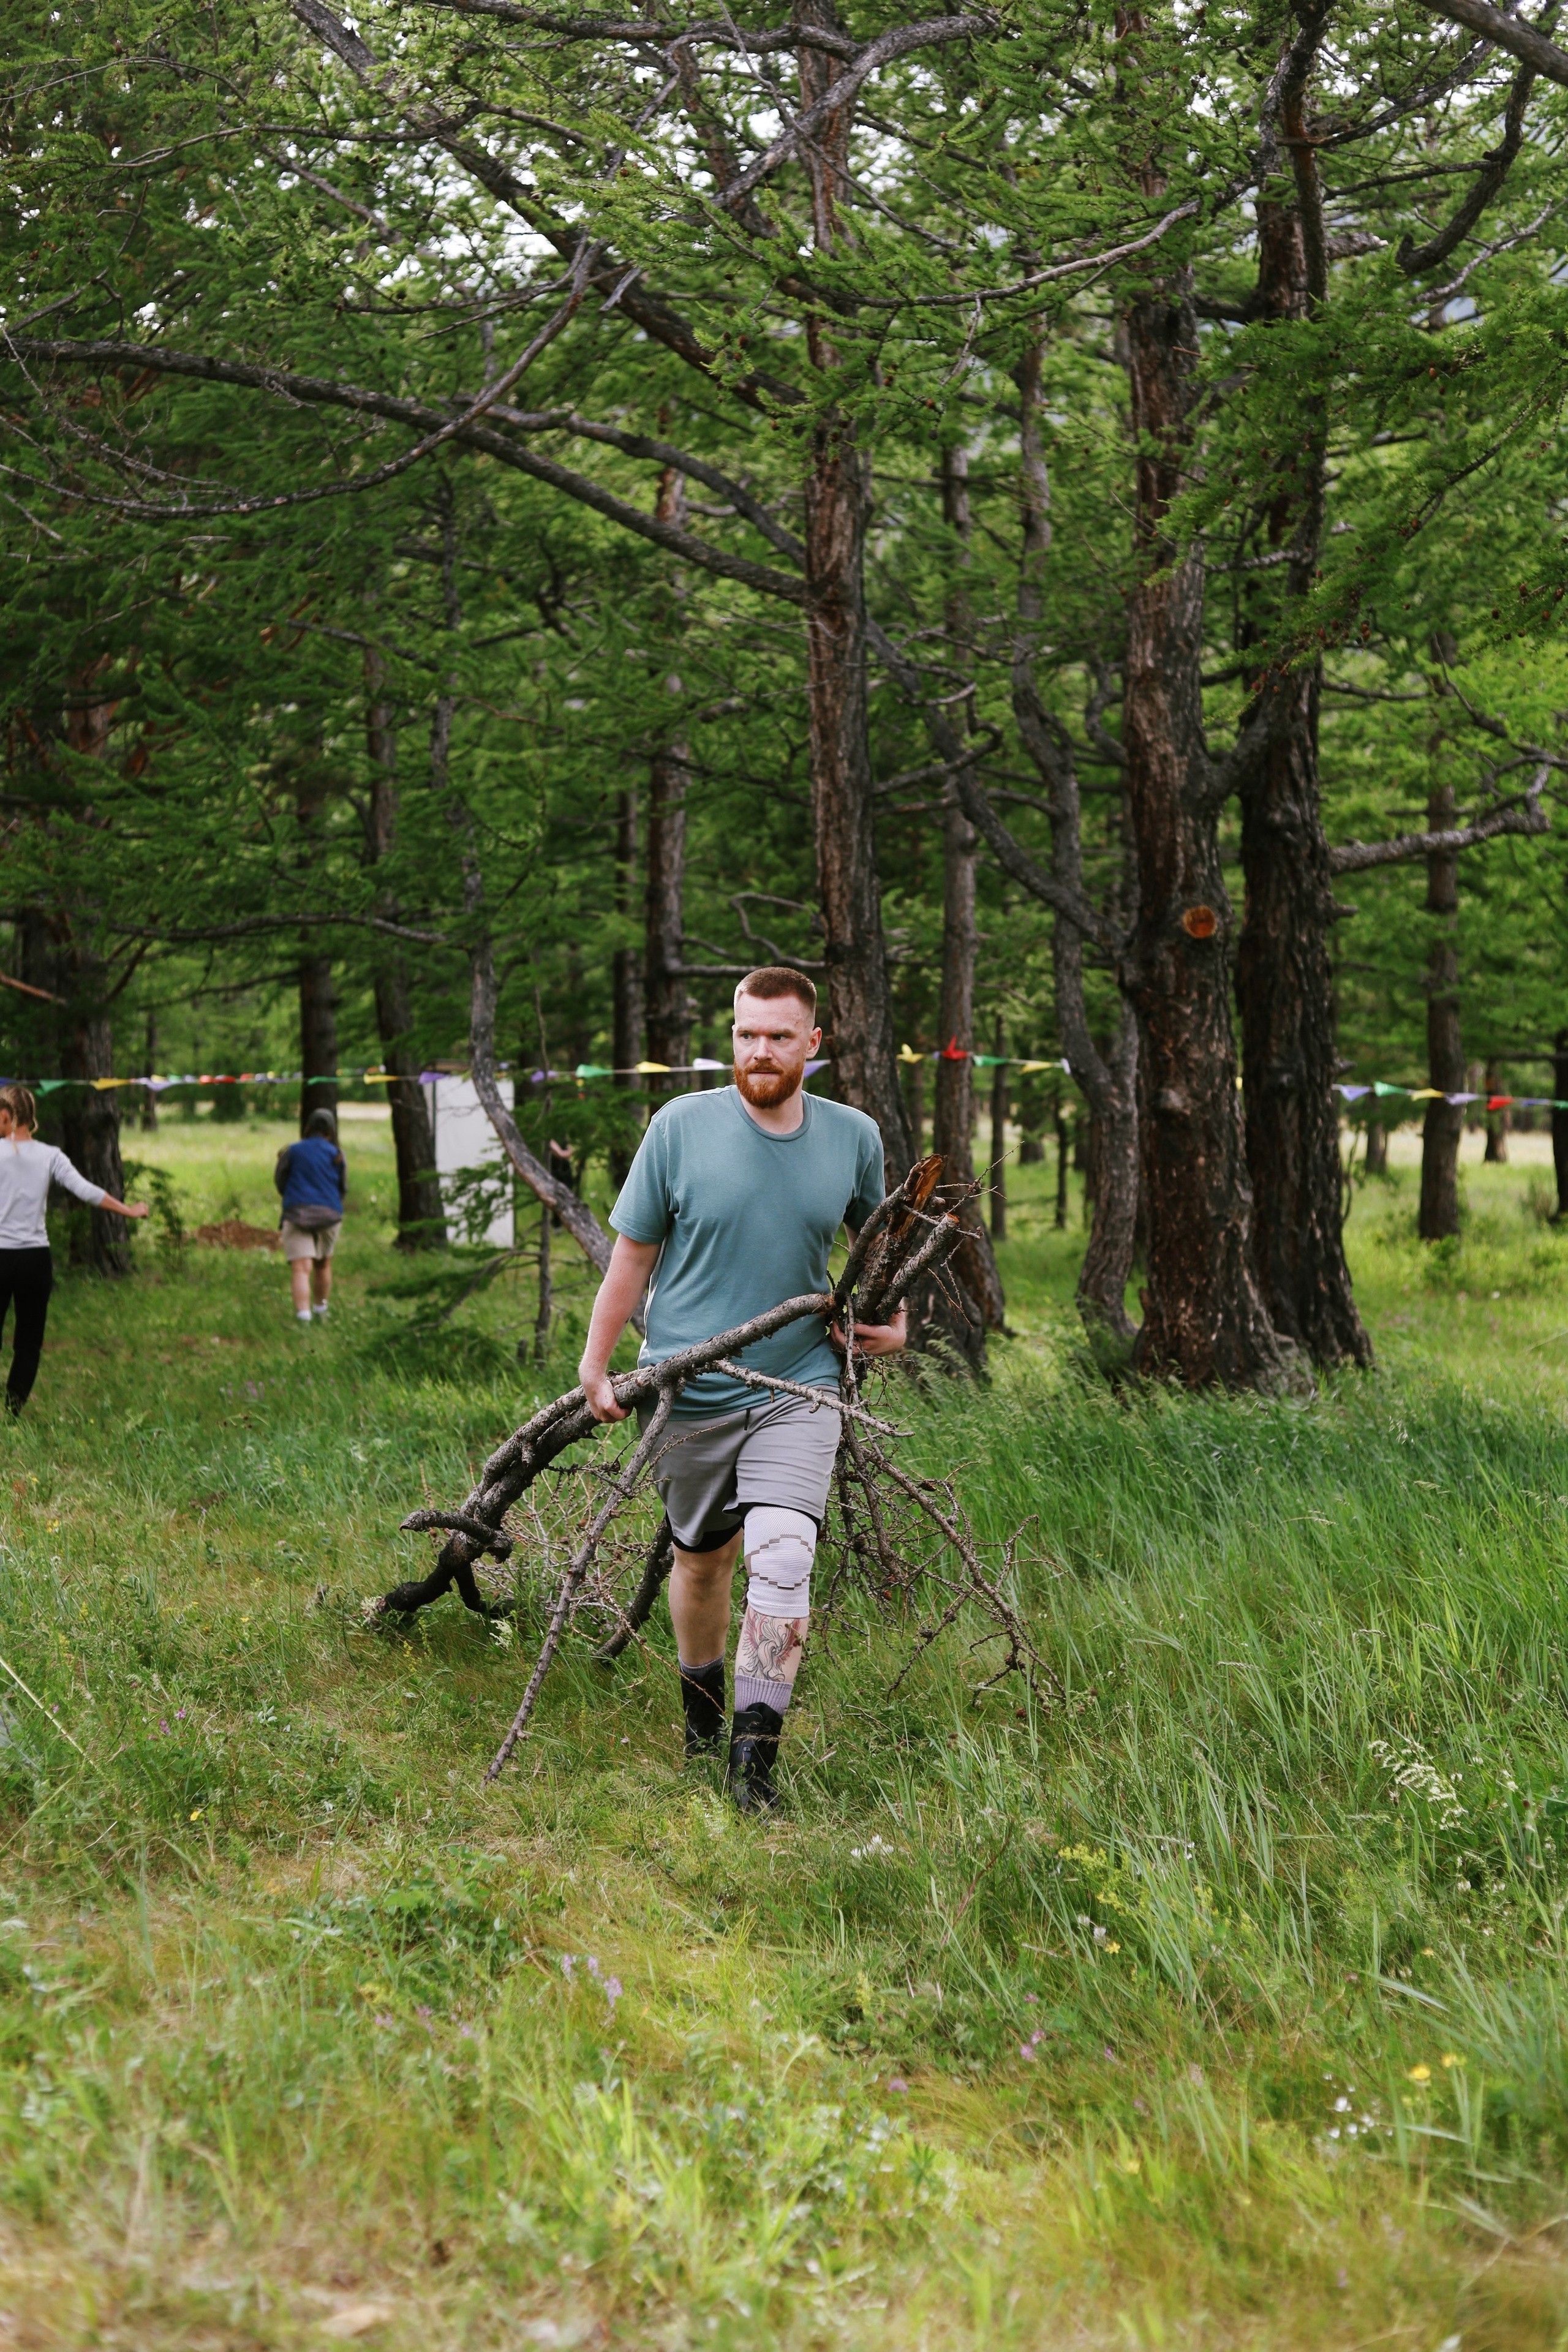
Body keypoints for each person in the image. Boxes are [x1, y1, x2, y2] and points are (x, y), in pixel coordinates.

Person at [578, 967, 906, 1812]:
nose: (759, 1051)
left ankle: (754, 1764)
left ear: (812, 1044)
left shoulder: (853, 1135)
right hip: (691, 1382)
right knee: (703, 1564)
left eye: (778, 1037)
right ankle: (701, 1721)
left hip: (798, 1379)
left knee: (785, 1554)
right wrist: (597, 1361)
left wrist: (894, 1320)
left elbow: (878, 1249)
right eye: (745, 1035)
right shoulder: (680, 1127)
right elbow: (633, 1258)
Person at [0, 1083, 149, 1415]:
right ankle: (13, 1409)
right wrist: (129, 1210)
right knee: (28, 1342)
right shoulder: (50, 1155)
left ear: (6, 1116)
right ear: (32, 1116)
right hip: (35, 1259)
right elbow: (87, 1191)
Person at [275, 1107, 347, 1324]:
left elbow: (280, 1181)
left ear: (307, 1128)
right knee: (323, 1264)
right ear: (331, 1131)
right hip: (330, 1214)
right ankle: (321, 1311)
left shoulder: (293, 1151)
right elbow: (342, 1187)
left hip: (297, 1212)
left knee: (301, 1268)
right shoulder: (337, 1155)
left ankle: (303, 1319)